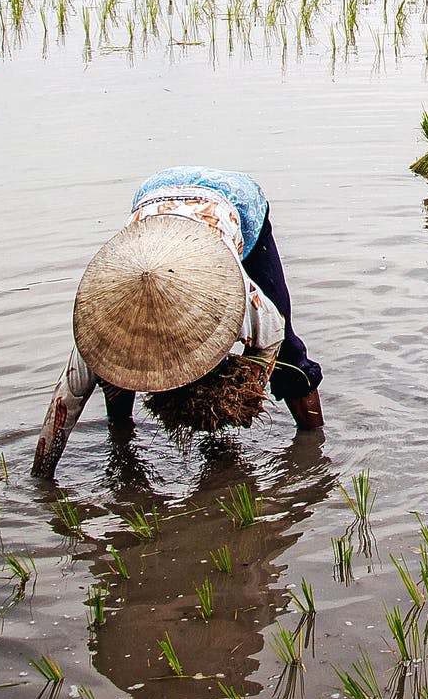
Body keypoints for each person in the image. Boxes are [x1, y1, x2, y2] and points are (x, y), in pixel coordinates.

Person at [33, 167, 324, 476]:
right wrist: (42, 476)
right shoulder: (101, 328)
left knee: (290, 357)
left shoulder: (234, 292)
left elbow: (273, 336)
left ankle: (315, 446)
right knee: (113, 372)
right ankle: (121, 439)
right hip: (154, 199)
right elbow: (64, 406)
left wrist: (243, 392)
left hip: (234, 199)